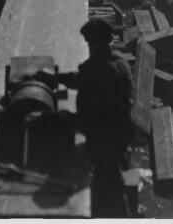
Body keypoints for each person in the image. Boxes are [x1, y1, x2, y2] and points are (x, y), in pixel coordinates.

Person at [38, 17, 133, 217]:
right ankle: (126, 203)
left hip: (105, 138)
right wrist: (56, 78)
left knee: (107, 183)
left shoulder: (98, 69)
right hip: (121, 131)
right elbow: (82, 80)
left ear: (95, 43)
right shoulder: (118, 61)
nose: (89, 48)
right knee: (117, 169)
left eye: (90, 43)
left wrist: (57, 118)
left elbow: (90, 119)